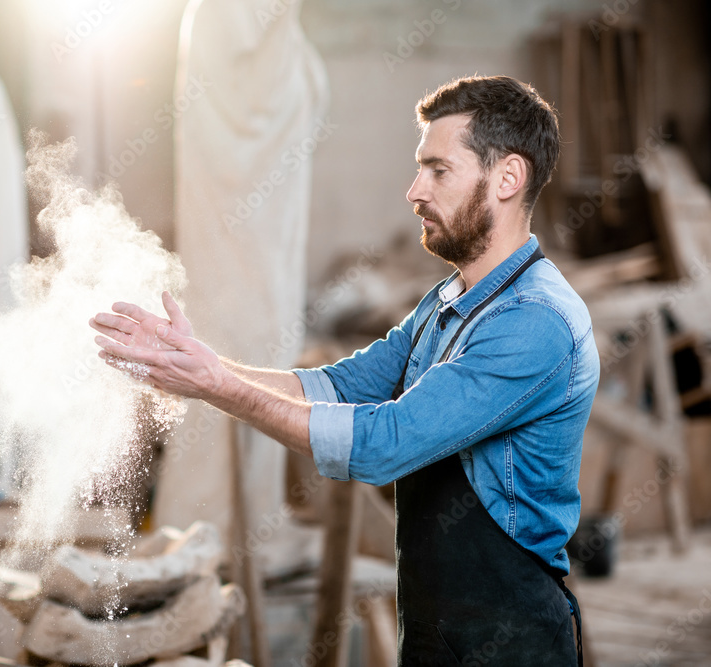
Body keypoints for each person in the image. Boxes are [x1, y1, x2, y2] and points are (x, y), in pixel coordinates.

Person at [90, 75, 599, 665]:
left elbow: (384, 443)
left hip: (511, 637)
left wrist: (219, 388)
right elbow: (338, 386)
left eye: (439, 171)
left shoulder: (535, 322)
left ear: (507, 178)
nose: (414, 191)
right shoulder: (450, 301)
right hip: (438, 626)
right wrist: (202, 364)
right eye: (419, 169)